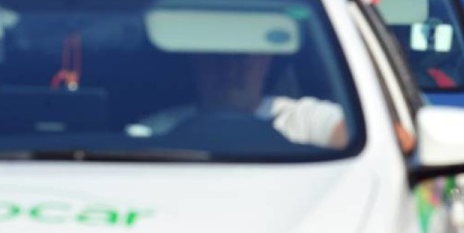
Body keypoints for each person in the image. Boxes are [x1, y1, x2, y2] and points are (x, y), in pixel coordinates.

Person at [132, 53, 348, 148]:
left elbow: (363, 147)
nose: (229, 69)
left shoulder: (304, 120)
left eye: (242, 57)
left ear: (266, 60)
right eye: (217, 57)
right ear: (197, 62)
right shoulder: (157, 130)